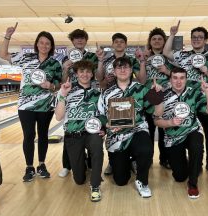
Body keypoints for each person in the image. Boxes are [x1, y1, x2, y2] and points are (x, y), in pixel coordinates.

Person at [0, 23, 62, 182]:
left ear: (51, 46)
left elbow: (59, 84)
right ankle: (29, 167)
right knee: (28, 135)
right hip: (25, 105)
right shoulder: (26, 57)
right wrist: (8, 36)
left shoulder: (55, 64)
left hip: (46, 105)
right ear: (37, 44)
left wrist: (51, 85)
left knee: (42, 135)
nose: (44, 45)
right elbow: (3, 54)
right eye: (41, 42)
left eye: (48, 43)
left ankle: (41, 165)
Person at [163, 21, 208, 175]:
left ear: (205, 40)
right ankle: (187, 161)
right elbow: (166, 52)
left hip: (204, 101)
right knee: (185, 133)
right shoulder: (183, 55)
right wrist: (172, 35)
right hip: (185, 102)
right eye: (194, 37)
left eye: (200, 37)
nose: (196, 39)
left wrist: (206, 70)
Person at [154, 67, 208, 199]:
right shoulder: (162, 94)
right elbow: (156, 121)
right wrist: (170, 123)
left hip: (192, 130)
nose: (178, 81)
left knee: (196, 145)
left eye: (182, 78)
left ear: (186, 79)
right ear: (170, 79)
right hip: (173, 136)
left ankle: (193, 184)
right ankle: (193, 163)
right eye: (175, 78)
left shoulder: (194, 93)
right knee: (179, 177)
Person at [97, 57, 155, 198]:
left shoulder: (141, 89)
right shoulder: (106, 93)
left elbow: (156, 111)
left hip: (137, 130)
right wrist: (107, 125)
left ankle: (142, 181)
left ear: (131, 71)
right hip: (116, 135)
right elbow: (100, 114)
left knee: (146, 148)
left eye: (126, 67)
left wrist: (156, 96)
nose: (122, 70)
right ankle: (128, 161)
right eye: (119, 67)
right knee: (121, 181)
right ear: (114, 71)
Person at [95, 33, 147, 175]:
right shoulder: (106, 60)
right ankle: (114, 162)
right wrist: (101, 66)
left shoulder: (131, 60)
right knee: (115, 134)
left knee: (137, 134)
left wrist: (142, 61)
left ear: (125, 44)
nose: (118, 44)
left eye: (121, 42)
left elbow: (142, 80)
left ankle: (134, 160)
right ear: (112, 44)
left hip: (129, 97)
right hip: (111, 98)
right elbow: (100, 81)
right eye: (116, 42)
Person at [55, 60, 105, 202]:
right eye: (81, 71)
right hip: (73, 136)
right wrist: (63, 94)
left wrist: (103, 128)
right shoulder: (66, 90)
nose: (85, 74)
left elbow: (102, 115)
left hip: (91, 134)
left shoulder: (97, 93)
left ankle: (95, 185)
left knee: (96, 146)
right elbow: (58, 117)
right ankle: (82, 163)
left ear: (92, 74)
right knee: (79, 180)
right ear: (76, 74)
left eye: (88, 71)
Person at [58, 29, 100, 178]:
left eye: (82, 38)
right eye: (76, 39)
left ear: (86, 40)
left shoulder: (92, 57)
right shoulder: (66, 58)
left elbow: (98, 76)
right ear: (72, 41)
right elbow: (63, 80)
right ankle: (67, 165)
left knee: (91, 128)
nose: (79, 41)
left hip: (90, 93)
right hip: (72, 94)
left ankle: (89, 163)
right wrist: (65, 69)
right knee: (71, 130)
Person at [144, 27, 173, 169]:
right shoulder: (145, 59)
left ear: (164, 41)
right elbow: (141, 80)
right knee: (148, 132)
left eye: (160, 39)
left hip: (166, 99)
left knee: (164, 132)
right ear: (150, 42)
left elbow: (179, 77)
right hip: (148, 100)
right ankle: (148, 159)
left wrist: (167, 71)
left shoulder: (169, 58)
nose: (156, 41)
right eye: (154, 39)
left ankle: (165, 159)